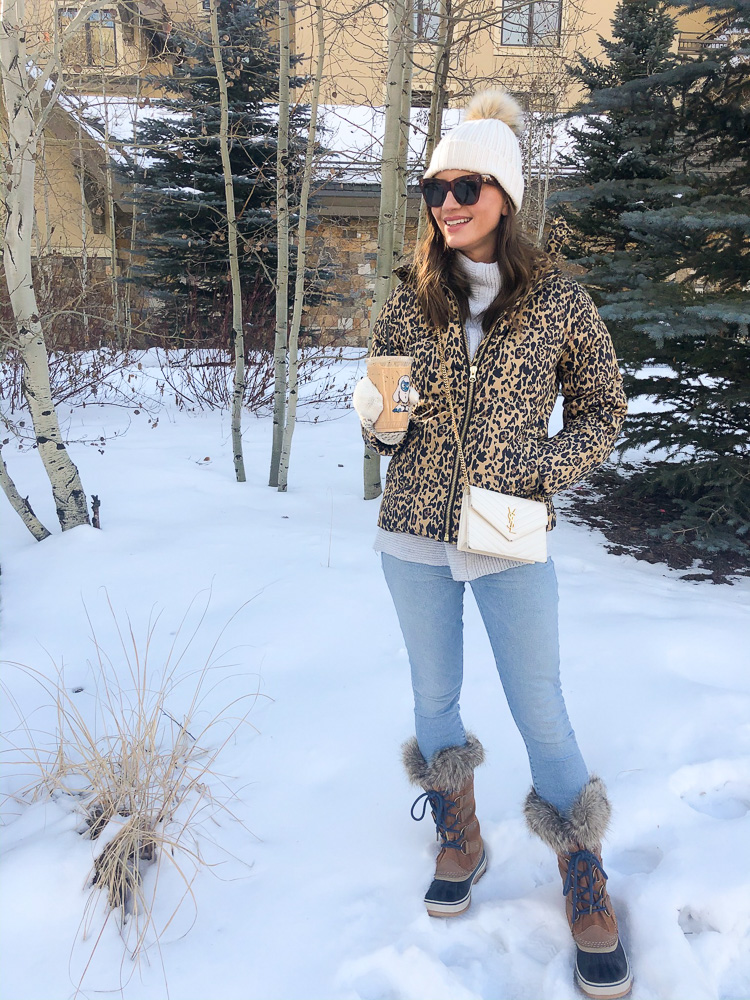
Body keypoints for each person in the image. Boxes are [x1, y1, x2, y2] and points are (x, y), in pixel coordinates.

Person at [352, 90, 632, 1000]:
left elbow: (604, 410)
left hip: (509, 533)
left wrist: (540, 471)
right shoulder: (408, 302)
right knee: (434, 695)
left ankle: (582, 873)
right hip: (412, 531)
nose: (448, 201)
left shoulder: (557, 301)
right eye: (436, 186)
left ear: (502, 194)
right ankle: (459, 834)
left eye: (467, 184)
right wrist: (378, 425)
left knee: (540, 707)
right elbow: (383, 419)